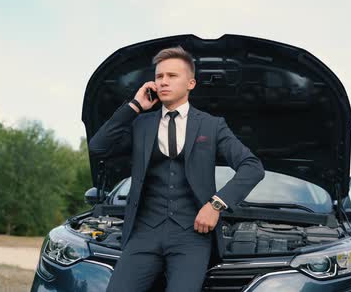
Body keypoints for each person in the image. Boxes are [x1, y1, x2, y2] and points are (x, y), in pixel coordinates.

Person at [89, 46, 265, 292]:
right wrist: (134, 106)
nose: (163, 82)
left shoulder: (212, 126)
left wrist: (216, 204)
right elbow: (98, 147)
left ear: (190, 83)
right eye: (159, 76)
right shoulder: (141, 124)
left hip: (191, 236)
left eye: (172, 76)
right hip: (143, 233)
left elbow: (252, 167)